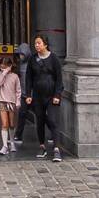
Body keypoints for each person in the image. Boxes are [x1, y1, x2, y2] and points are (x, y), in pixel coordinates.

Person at [24, 33, 63, 162]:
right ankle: (42, 146)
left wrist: (57, 95)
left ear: (45, 44)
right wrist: (28, 94)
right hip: (37, 96)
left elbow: (59, 78)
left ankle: (56, 149)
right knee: (40, 120)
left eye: (39, 43)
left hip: (52, 96)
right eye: (35, 43)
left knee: (52, 119)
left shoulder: (54, 59)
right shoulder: (33, 59)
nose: (37, 45)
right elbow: (28, 78)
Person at [0, 55, 22, 155]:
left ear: (10, 65)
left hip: (12, 102)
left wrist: (18, 101)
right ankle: (5, 145)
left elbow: (18, 90)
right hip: (2, 101)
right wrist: (4, 73)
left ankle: (12, 142)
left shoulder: (15, 76)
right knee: (4, 124)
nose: (3, 68)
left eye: (5, 66)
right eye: (1, 66)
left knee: (11, 124)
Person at [12, 39, 34, 146]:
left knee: (42, 115)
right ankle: (18, 135)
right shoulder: (21, 64)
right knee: (22, 114)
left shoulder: (33, 63)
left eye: (22, 54)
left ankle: (53, 134)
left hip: (32, 94)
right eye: (19, 54)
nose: (20, 56)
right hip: (24, 94)